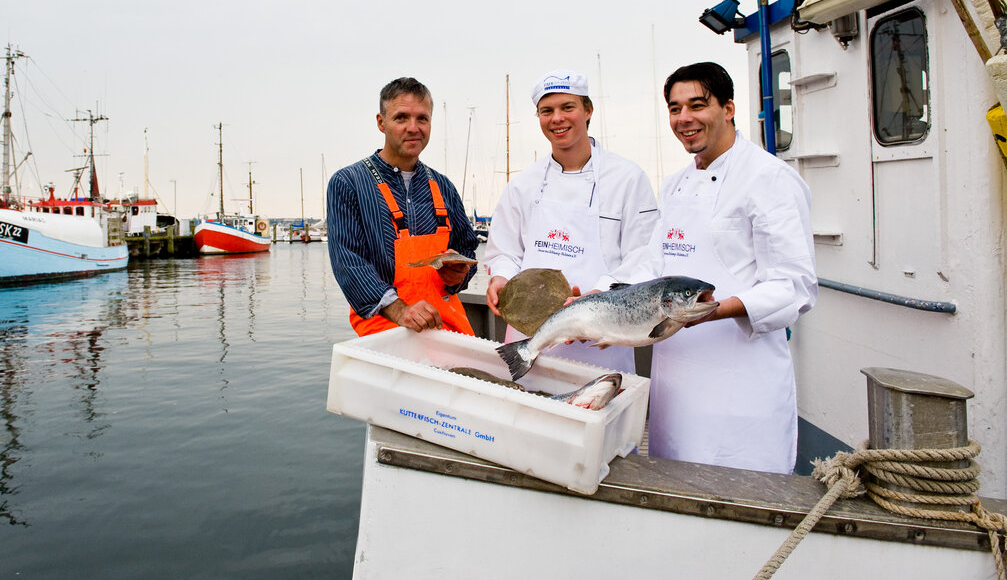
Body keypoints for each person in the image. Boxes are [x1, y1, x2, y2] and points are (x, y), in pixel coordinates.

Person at [610, 61, 816, 474]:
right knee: (677, 485)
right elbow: (652, 262)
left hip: (740, 384)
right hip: (675, 382)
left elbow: (794, 286)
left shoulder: (770, 179)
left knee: (742, 497)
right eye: (674, 108)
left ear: (728, 108)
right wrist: (596, 295)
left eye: (697, 105)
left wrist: (715, 310)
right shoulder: (675, 185)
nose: (684, 118)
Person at [483, 70, 658, 373]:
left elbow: (645, 254)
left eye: (568, 107)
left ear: (588, 110)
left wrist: (601, 293)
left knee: (599, 411)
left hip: (602, 337)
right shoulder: (523, 185)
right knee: (530, 414)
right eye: (546, 111)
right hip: (530, 338)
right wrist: (501, 277)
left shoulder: (628, 178)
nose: (557, 119)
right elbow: (505, 251)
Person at [327, 77, 479, 335]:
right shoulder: (347, 183)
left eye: (422, 118)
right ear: (381, 122)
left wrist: (457, 277)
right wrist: (400, 310)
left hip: (445, 325)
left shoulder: (444, 186)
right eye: (401, 118)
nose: (413, 127)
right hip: (387, 329)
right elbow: (348, 262)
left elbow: (467, 248)